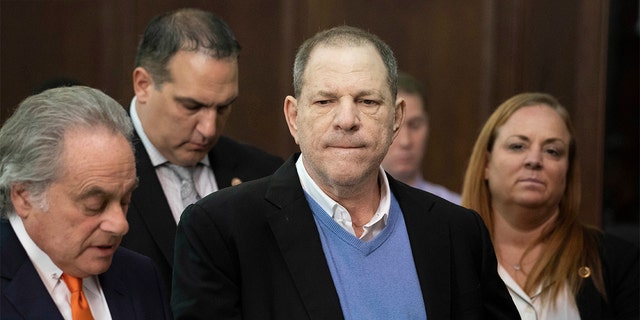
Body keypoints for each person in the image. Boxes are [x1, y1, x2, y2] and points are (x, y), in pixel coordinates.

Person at [172, 25, 520, 319]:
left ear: (396, 117)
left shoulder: (457, 233)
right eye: (325, 101)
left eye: (368, 101)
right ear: (294, 117)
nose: (347, 120)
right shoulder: (221, 229)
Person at [121, 8, 283, 289]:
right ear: (143, 84)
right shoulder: (96, 174)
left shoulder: (266, 175)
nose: (209, 129)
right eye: (192, 106)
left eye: (223, 107)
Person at [461, 92, 639, 319]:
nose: (534, 160)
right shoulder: (450, 255)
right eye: (518, 146)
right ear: (486, 163)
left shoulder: (616, 262)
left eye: (552, 151)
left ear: (567, 169)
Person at [0, 86, 173, 319]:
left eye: (125, 200)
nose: (120, 225)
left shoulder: (141, 276)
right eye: (95, 204)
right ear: (24, 196)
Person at [381, 71, 461, 204]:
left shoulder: (456, 210)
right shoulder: (345, 212)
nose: (405, 141)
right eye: (394, 125)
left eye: (415, 125)